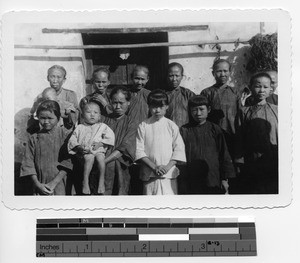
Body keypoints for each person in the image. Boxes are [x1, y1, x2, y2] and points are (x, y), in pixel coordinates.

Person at [180, 95, 235, 194]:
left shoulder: (215, 129)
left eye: (201, 109)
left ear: (208, 109)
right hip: (191, 177)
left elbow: (224, 154)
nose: (198, 113)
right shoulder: (184, 130)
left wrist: (224, 179)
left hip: (212, 176)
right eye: (194, 110)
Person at [135, 89, 186, 195]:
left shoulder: (171, 125)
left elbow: (179, 149)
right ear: (149, 107)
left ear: (167, 106)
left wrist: (166, 167)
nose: (157, 110)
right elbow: (139, 150)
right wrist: (154, 167)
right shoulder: (143, 125)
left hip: (168, 174)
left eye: (161, 107)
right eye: (154, 107)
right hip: (150, 173)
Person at [235, 72, 278, 194]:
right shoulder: (244, 112)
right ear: (251, 87)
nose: (261, 90)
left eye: (265, 87)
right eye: (258, 86)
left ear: (271, 89)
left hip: (273, 159)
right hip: (252, 161)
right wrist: (239, 161)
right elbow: (239, 137)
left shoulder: (276, 110)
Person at [20, 100, 72, 195]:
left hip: (60, 184)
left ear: (58, 118)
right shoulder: (34, 138)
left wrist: (53, 183)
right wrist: (37, 184)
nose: (46, 121)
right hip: (40, 185)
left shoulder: (65, 135)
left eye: (50, 118)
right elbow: (28, 163)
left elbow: (68, 161)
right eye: (42, 118)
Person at [68, 101, 115, 195]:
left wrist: (101, 144)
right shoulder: (80, 127)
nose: (92, 115)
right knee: (89, 158)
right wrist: (79, 147)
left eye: (95, 112)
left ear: (99, 116)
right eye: (88, 112)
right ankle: (85, 182)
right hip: (85, 152)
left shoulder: (102, 126)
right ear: (82, 115)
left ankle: (101, 181)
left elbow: (110, 137)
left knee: (100, 158)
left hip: (98, 150)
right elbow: (73, 140)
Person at [101, 86, 139, 195]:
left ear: (128, 103)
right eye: (114, 102)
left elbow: (125, 147)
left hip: (120, 167)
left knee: (120, 195)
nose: (117, 106)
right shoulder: (104, 120)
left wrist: (104, 162)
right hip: (102, 168)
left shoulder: (132, 122)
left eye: (121, 103)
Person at [200, 59, 241, 158]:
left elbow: (240, 114)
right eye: (219, 71)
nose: (222, 74)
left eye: (225, 71)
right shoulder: (206, 92)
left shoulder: (235, 92)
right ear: (213, 73)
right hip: (213, 135)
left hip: (232, 134)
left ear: (229, 72)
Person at [28, 65, 79, 132]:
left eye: (59, 77)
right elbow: (33, 115)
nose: (55, 81)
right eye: (52, 77)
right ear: (48, 78)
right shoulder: (41, 96)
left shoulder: (70, 95)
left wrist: (67, 113)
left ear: (64, 79)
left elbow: (75, 118)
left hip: (65, 132)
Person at [164, 62, 195, 128]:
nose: (174, 79)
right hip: (166, 131)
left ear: (182, 77)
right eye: (171, 76)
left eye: (177, 76)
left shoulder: (188, 94)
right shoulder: (162, 94)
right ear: (166, 76)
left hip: (184, 131)